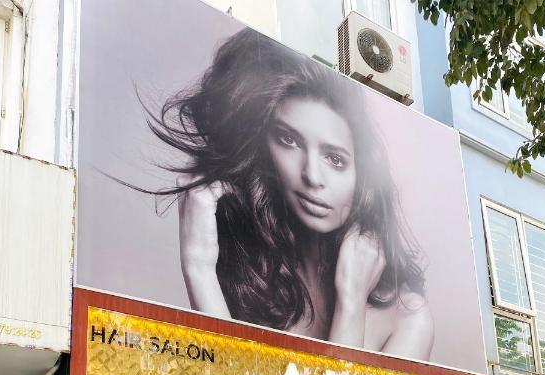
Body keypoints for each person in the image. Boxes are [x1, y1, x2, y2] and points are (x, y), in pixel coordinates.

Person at [148, 28, 433, 358]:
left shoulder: (407, 317)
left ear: (363, 176)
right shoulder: (248, 277)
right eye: (289, 140)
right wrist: (198, 268)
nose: (311, 175)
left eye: (334, 159)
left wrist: (351, 300)